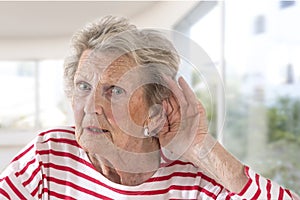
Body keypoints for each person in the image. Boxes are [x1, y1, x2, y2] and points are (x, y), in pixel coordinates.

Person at [0, 16, 299, 200]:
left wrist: (201, 148)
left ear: (155, 109)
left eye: (114, 90)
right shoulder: (50, 154)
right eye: (83, 87)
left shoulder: (193, 181)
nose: (92, 107)